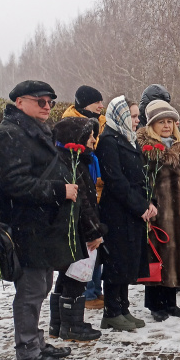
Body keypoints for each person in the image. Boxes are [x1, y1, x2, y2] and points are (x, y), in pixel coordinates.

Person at [0, 80, 79, 360]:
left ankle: (35, 342)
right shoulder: (10, 135)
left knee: (41, 286)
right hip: (25, 225)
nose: (48, 106)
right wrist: (58, 191)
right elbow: (14, 184)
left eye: (50, 101)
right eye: (41, 101)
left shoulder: (32, 131)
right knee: (30, 291)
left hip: (40, 224)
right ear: (19, 102)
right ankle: (27, 350)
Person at [136, 100, 180, 321]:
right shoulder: (144, 148)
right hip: (159, 209)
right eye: (161, 122)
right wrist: (148, 202)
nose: (166, 126)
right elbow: (141, 180)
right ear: (152, 124)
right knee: (158, 255)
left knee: (176, 254)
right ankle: (155, 304)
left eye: (170, 121)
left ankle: (171, 301)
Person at [98, 96, 156, 332]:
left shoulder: (129, 139)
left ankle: (123, 308)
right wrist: (139, 205)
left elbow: (140, 176)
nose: (137, 120)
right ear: (120, 116)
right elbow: (115, 180)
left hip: (131, 212)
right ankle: (111, 311)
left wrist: (148, 202)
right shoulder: (108, 141)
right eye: (132, 116)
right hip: (117, 213)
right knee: (116, 262)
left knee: (128, 261)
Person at [48, 117, 105, 341]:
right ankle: (72, 325)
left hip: (75, 228)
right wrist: (94, 230)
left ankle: (59, 324)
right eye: (89, 135)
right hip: (79, 230)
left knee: (66, 275)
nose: (93, 139)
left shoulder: (75, 161)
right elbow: (83, 202)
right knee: (76, 276)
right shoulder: (72, 164)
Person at [62, 85, 106, 309]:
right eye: (96, 102)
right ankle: (87, 294)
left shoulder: (100, 123)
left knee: (96, 245)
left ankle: (94, 290)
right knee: (87, 245)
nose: (101, 105)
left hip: (94, 188)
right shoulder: (73, 124)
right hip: (83, 187)